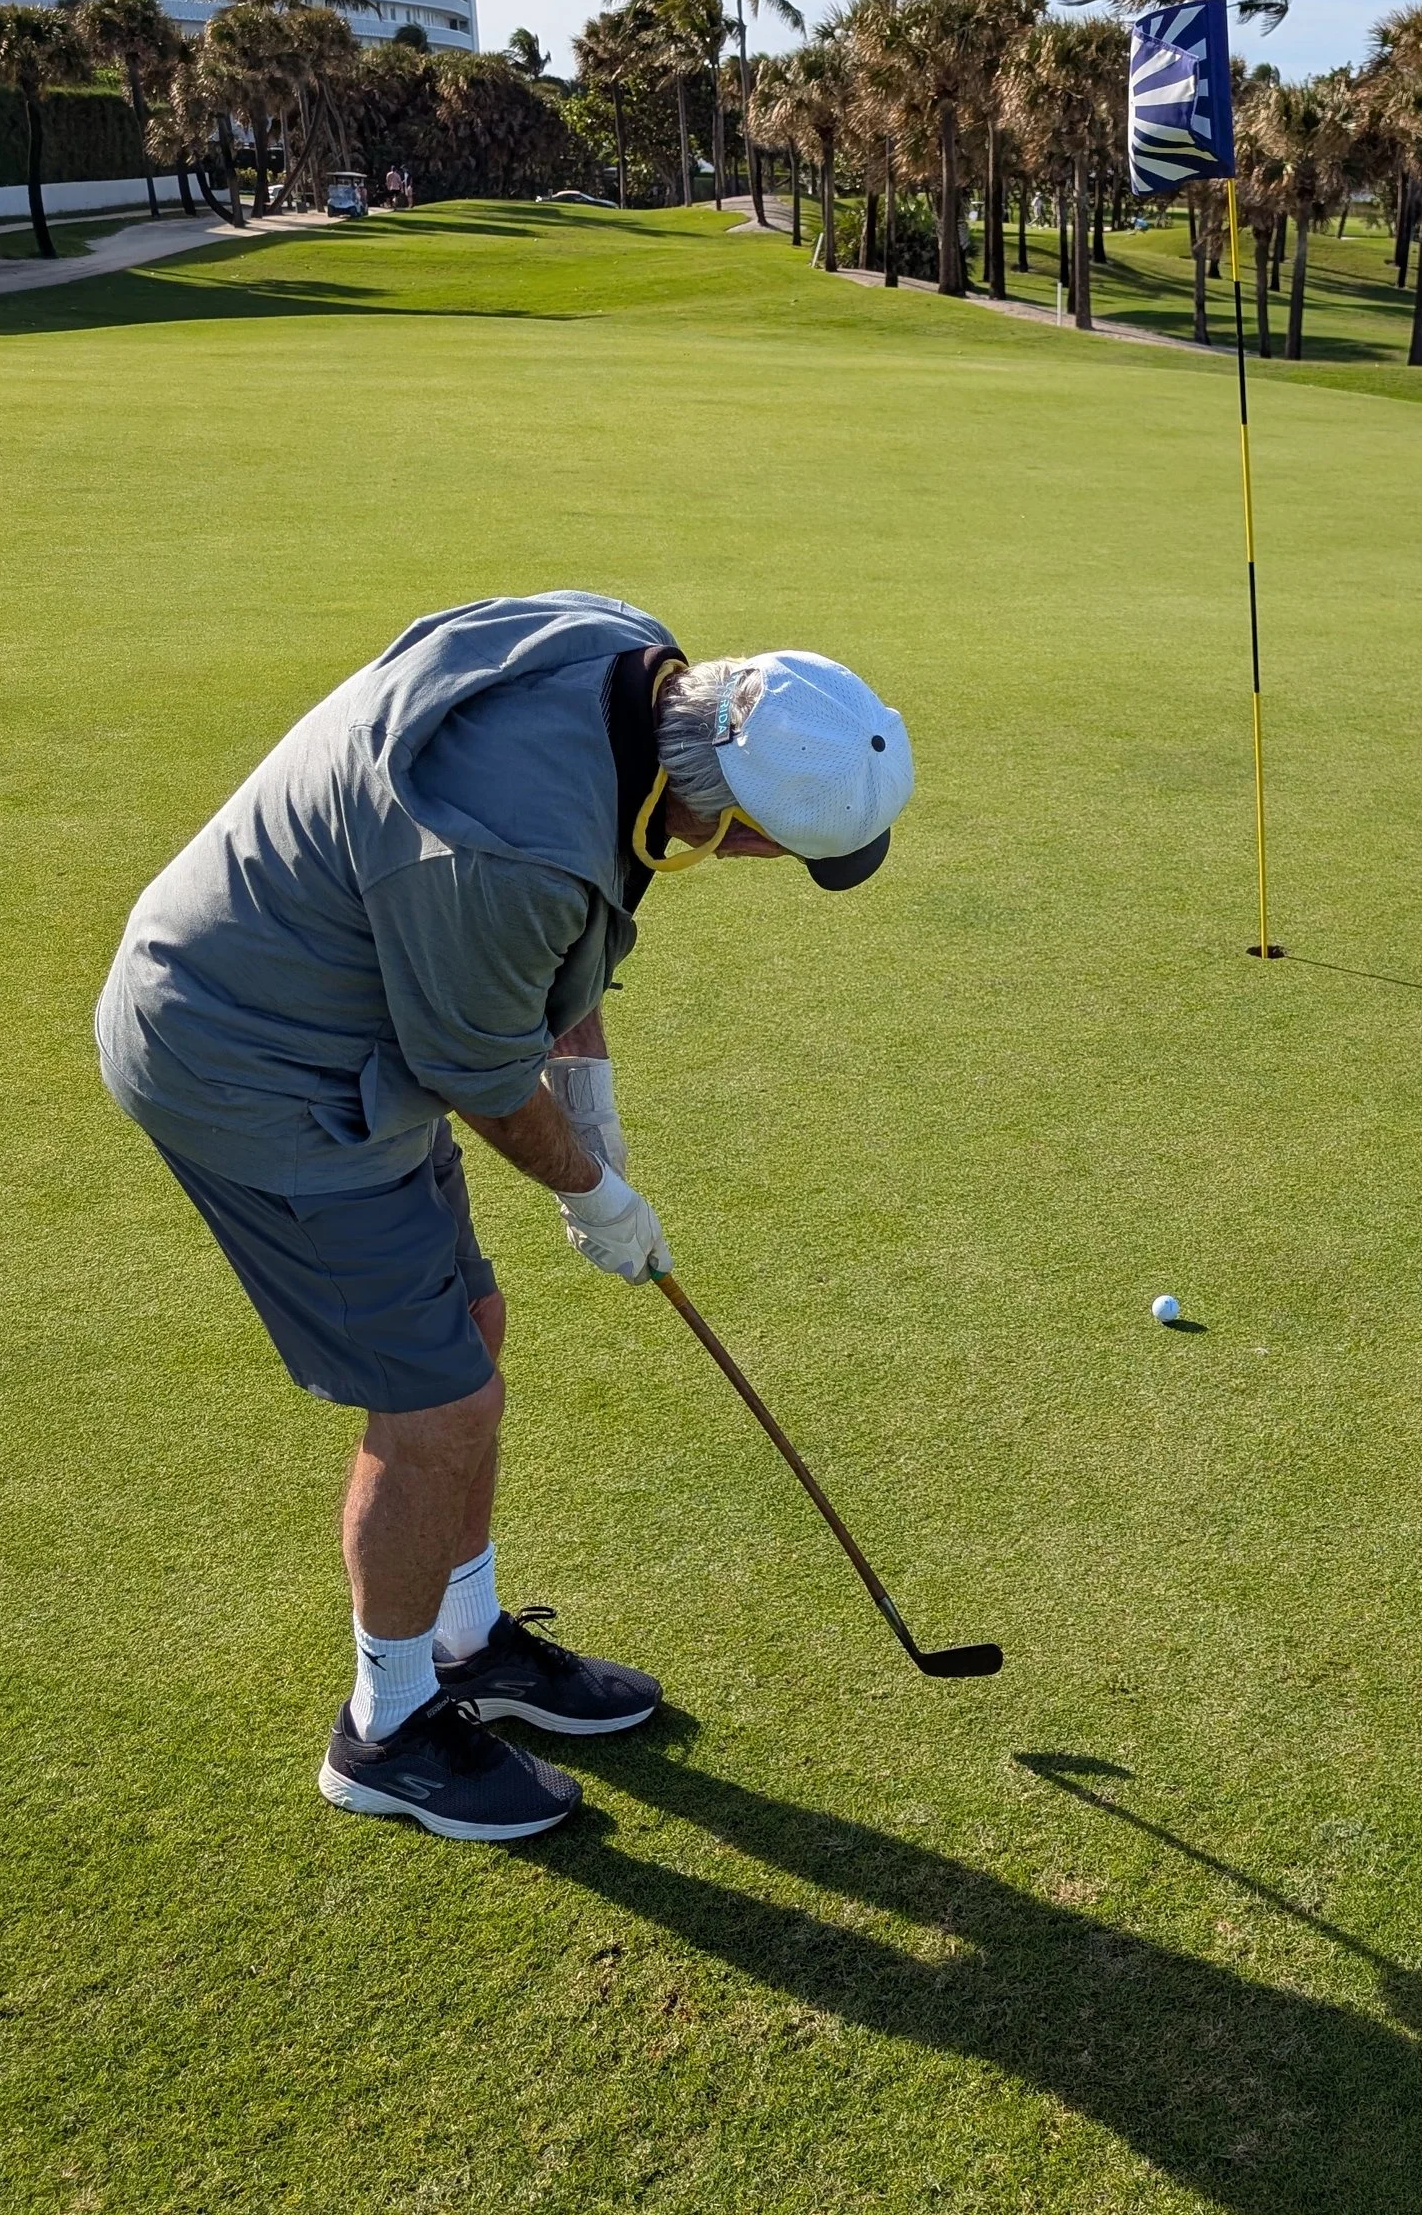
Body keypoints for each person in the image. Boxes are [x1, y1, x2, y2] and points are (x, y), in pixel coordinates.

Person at [96, 594, 914, 1844]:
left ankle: (465, 1642)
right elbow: (481, 1065)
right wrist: (596, 1192)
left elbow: (556, 956)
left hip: (342, 1004)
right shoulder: (513, 856)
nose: (755, 868)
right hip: (250, 1059)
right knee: (438, 1405)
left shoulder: (629, 664)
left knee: (472, 1321)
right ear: (734, 819)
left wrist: (591, 1101)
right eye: (767, 848)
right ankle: (387, 1729)